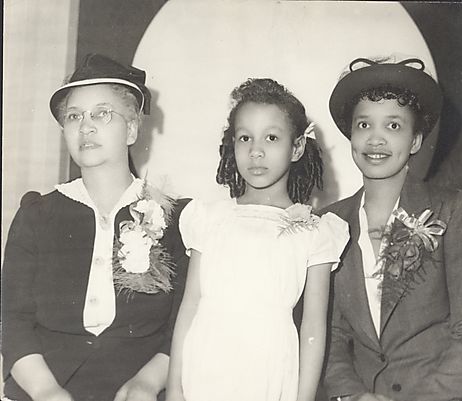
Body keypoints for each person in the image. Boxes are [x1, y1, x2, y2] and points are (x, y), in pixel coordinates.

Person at [2, 54, 190, 401]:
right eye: (74, 117)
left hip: (137, 389)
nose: (85, 126)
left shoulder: (177, 219)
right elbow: (13, 320)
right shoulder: (37, 214)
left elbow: (181, 323)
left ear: (132, 129)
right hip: (44, 386)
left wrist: (149, 382)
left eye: (102, 114)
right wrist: (46, 392)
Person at [320, 56, 462, 401]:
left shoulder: (454, 210)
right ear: (351, 136)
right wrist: (354, 395)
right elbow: (333, 337)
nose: (375, 139)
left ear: (416, 141)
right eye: (364, 125)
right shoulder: (330, 224)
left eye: (394, 126)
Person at [164, 78, 349, 401]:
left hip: (269, 369)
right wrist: (176, 386)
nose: (256, 151)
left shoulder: (316, 232)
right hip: (205, 364)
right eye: (245, 137)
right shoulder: (210, 218)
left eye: (272, 137)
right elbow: (190, 305)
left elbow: (313, 328)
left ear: (297, 147)